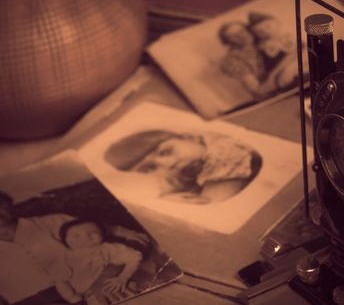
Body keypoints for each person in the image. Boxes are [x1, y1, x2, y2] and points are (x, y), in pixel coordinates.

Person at [0, 191, 148, 305]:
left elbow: (135, 238)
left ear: (9, 203)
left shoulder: (53, 221)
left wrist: (107, 275)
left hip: (92, 290)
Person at [104, 130, 262, 205]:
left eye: (166, 151)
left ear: (189, 137)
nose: (168, 165)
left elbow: (212, 200)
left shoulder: (224, 148)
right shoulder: (189, 183)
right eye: (149, 169)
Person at [52, 219, 142, 305]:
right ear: (66, 241)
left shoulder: (108, 248)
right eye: (76, 236)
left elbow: (135, 257)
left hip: (115, 285)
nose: (86, 237)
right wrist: (72, 297)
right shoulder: (65, 258)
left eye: (93, 232)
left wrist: (123, 277)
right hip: (88, 295)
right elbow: (61, 281)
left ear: (102, 233)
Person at [218, 21, 272, 98]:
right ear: (227, 42)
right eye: (234, 36)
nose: (242, 35)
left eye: (242, 30)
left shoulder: (263, 42)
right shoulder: (231, 61)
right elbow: (258, 91)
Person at [247, 12, 297, 90]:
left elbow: (300, 53)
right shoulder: (262, 47)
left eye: (268, 26)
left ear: (277, 23)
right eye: (259, 31)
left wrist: (291, 68)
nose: (266, 31)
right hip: (280, 80)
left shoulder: (290, 37)